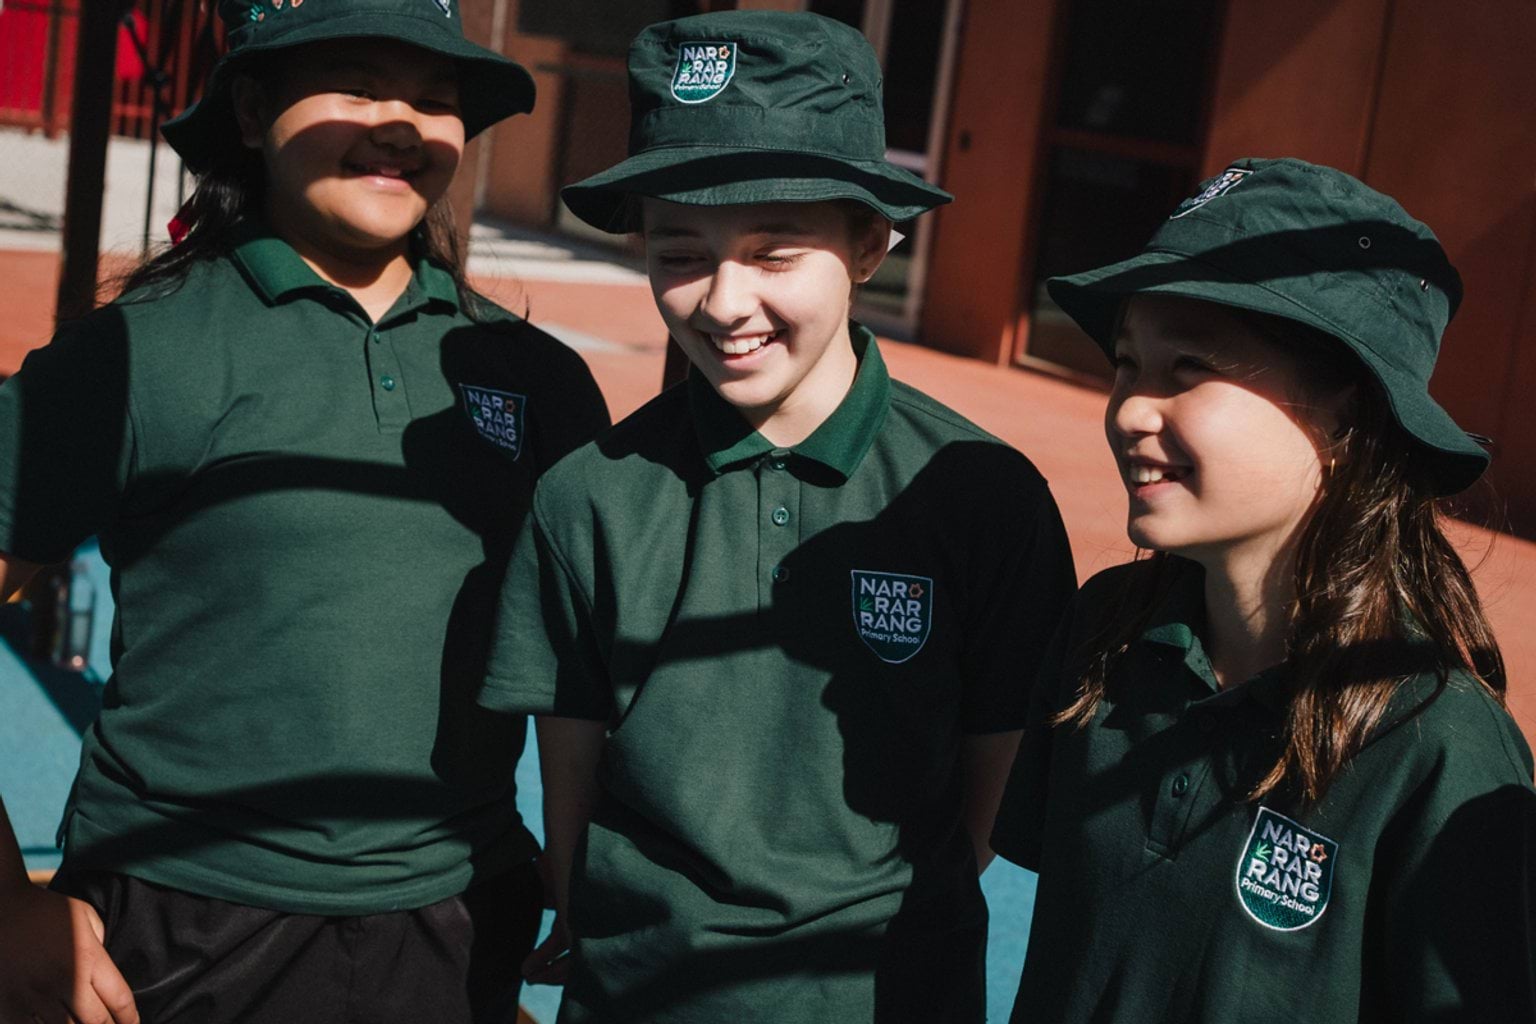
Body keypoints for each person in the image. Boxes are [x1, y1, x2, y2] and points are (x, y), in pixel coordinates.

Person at [0, 2, 610, 1022]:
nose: (402, 122)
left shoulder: (536, 376)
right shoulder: (143, 352)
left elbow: (595, 666)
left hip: (458, 923)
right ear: (250, 111)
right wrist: (7, 901)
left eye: (435, 98)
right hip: (177, 927)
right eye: (358, 83)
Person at [477, 11, 1077, 1023]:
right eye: (680, 251)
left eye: (774, 252)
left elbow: (988, 789)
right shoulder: (590, 494)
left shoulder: (984, 495)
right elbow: (568, 776)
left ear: (871, 242)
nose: (723, 300)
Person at [991, 157, 1536, 1023]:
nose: (1130, 408)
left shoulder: (1439, 747)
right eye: (1129, 364)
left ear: (1347, 419)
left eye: (1188, 368)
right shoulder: (1103, 633)